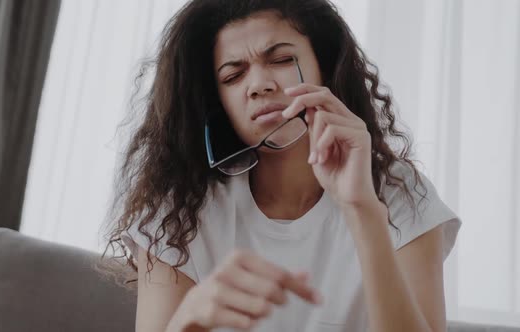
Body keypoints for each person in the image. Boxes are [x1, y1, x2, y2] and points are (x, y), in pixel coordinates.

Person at [101, 0, 462, 331]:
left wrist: (363, 209)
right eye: (232, 76)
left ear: (325, 65)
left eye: (281, 59)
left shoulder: (402, 195)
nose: (258, 84)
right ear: (216, 104)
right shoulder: (178, 212)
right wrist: (190, 318)